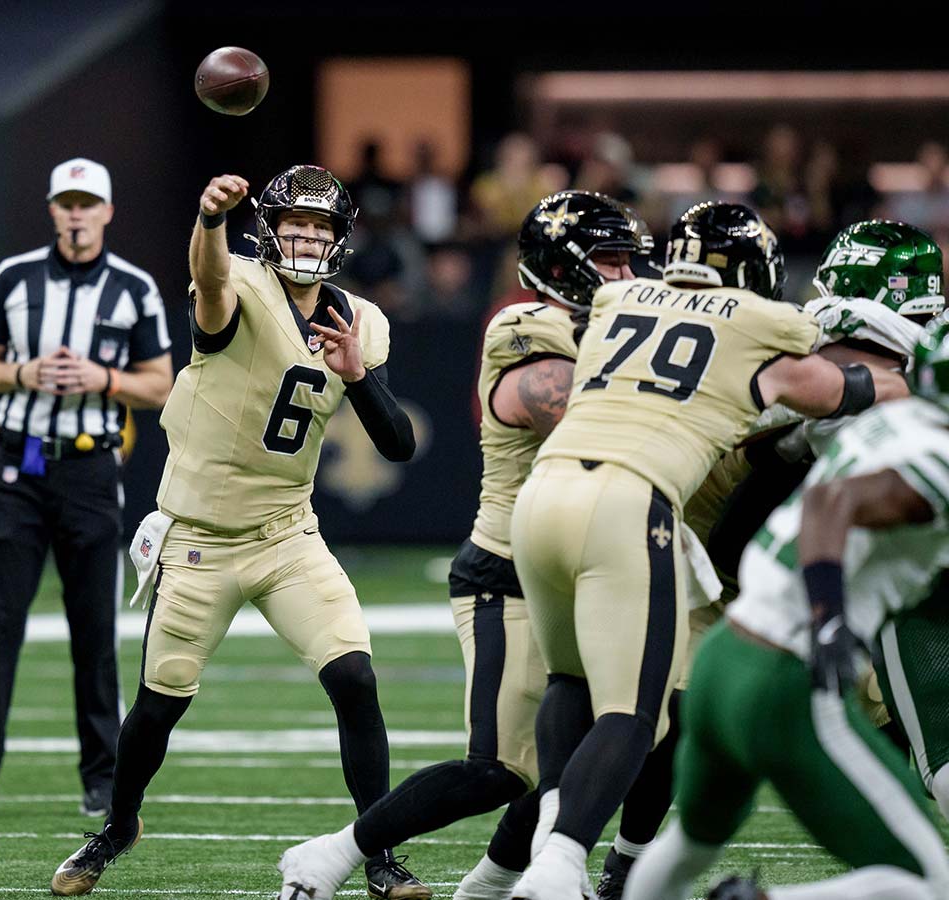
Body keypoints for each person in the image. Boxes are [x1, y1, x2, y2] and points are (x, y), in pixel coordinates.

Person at [509, 201, 909, 900]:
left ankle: (548, 839)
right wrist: (919, 376)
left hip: (543, 494)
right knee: (635, 714)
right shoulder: (761, 320)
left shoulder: (615, 298)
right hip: (629, 500)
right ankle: (559, 865)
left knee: (569, 681)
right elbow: (839, 386)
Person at [49, 165, 420, 898]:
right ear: (269, 232)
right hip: (200, 539)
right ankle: (118, 825)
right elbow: (211, 285)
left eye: (320, 227)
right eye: (295, 225)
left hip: (287, 533)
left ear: (340, 238)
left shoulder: (360, 321)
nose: (307, 238)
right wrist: (210, 220)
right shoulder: (239, 282)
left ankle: (378, 851)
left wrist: (357, 376)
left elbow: (399, 444)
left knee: (354, 677)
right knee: (160, 703)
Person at [272, 192, 644, 900]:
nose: (626, 276)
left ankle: (501, 885)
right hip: (509, 570)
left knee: (619, 737)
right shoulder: (524, 324)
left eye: (631, 260)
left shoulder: (623, 324)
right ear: (559, 267)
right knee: (499, 769)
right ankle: (333, 853)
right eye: (610, 260)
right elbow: (575, 407)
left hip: (592, 565)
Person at [624, 322, 949, 900]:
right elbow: (833, 500)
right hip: (786, 676)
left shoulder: (888, 422)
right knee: (927, 880)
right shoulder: (937, 457)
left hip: (725, 657)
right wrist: (829, 617)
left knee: (688, 846)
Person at [0, 157, 172, 818]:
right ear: (52, 210)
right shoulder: (14, 277)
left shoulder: (133, 288)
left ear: (107, 212)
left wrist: (103, 380)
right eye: (67, 203)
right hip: (18, 467)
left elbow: (161, 384)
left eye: (87, 203)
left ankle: (102, 778)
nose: (76, 215)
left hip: (90, 469)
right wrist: (26, 372)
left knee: (95, 630)